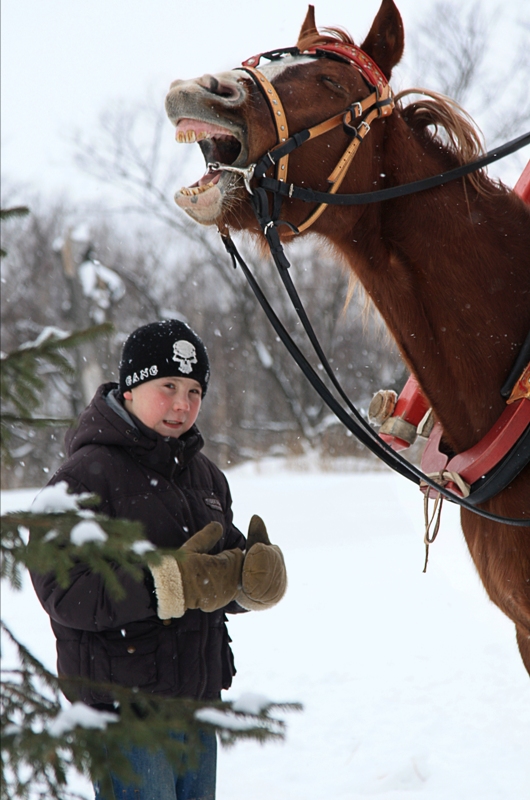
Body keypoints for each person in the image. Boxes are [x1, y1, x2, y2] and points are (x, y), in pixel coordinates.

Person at [30, 319, 288, 800]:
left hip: (196, 702)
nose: (182, 404)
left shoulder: (205, 476)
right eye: (167, 385)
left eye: (194, 391)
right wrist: (167, 585)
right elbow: (62, 587)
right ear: (131, 387)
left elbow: (216, 573)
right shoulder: (87, 475)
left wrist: (250, 582)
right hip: (123, 712)